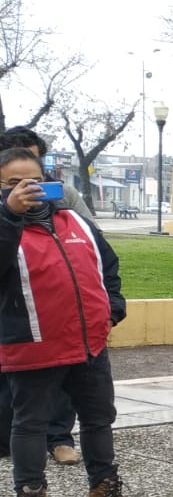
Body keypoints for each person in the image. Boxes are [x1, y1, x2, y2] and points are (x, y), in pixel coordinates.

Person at [0, 147, 142, 497]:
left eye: (34, 180)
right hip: (32, 344)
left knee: (98, 419)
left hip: (88, 344)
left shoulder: (75, 221)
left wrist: (111, 310)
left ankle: (103, 489)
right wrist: (10, 214)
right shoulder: (4, 223)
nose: (27, 188)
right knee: (29, 424)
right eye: (14, 182)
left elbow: (107, 266)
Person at [0, 127, 90, 465]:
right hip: (12, 313)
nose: (28, 183)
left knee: (64, 380)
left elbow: (93, 242)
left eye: (35, 162)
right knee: (15, 389)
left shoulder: (61, 195)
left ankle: (59, 437)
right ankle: (13, 441)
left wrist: (110, 308)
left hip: (57, 314)